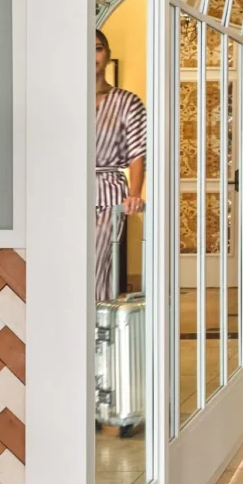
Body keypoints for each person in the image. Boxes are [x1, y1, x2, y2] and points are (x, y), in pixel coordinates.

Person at [95, 29, 147, 301]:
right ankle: (99, 335)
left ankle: (91, 332)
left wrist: (134, 194)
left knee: (94, 265)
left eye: (97, 48)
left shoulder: (128, 102)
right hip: (65, 193)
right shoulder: (65, 99)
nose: (91, 55)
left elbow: (138, 153)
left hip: (109, 194)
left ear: (107, 54)